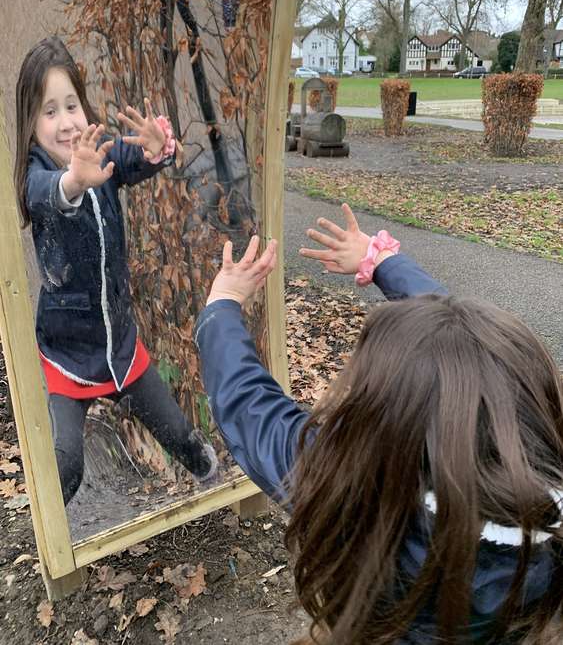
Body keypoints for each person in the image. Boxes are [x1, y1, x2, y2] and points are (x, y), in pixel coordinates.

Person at [195, 204, 563, 644]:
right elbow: (465, 354)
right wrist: (380, 260)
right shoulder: (546, 523)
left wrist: (223, 306)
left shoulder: (352, 484)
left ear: (385, 413)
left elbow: (251, 408)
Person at [14, 36, 217, 505]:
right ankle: (52, 532)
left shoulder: (99, 151)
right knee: (65, 462)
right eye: (49, 111)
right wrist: (72, 180)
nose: (66, 123)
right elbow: (46, 192)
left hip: (119, 344)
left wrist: (154, 148)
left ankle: (214, 480)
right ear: (31, 122)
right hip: (66, 351)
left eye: (71, 106)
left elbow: (127, 159)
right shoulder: (36, 173)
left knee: (180, 434)